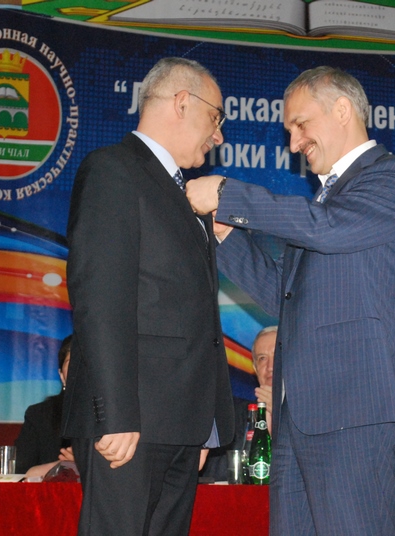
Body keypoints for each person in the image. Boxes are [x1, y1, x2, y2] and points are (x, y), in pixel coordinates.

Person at [187, 66, 395, 535]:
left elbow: (328, 230)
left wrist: (228, 194)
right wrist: (226, 234)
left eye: (300, 125)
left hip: (354, 415)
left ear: (342, 110)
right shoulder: (324, 204)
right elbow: (284, 294)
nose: (293, 144)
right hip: (297, 420)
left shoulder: (392, 178)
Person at [62, 57, 235, 536]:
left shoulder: (186, 194)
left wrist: (204, 425)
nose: (219, 135)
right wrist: (115, 415)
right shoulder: (114, 170)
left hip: (181, 426)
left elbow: (194, 315)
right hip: (130, 424)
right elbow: (100, 297)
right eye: (215, 117)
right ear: (181, 102)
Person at [200, 325, 277, 481]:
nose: (270, 367)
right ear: (255, 368)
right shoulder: (230, 416)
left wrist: (281, 416)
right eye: (262, 358)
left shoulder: (314, 416)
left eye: (277, 357)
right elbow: (216, 474)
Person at [15, 335, 76, 479]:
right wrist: (64, 466)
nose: (78, 370)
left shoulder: (114, 417)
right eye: (72, 363)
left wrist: (86, 464)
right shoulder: (39, 415)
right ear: (61, 375)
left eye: (85, 363)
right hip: (51, 492)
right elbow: (21, 473)